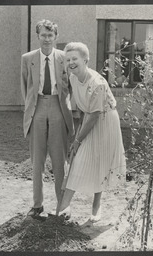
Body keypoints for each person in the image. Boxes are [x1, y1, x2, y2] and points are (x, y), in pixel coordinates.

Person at [58, 42, 126, 222]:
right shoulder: (73, 78)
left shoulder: (97, 83)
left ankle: (97, 206)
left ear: (85, 60)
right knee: (78, 160)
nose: (71, 62)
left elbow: (95, 114)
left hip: (105, 120)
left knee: (100, 161)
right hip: (90, 118)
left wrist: (78, 140)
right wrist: (78, 133)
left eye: (75, 59)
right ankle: (62, 210)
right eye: (68, 59)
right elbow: (82, 110)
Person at [21, 19, 74, 217]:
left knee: (59, 159)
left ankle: (62, 206)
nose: (46, 39)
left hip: (58, 107)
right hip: (37, 107)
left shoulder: (64, 58)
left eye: (50, 35)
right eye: (43, 35)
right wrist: (32, 107)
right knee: (37, 159)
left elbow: (70, 86)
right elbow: (25, 87)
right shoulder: (28, 58)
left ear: (55, 37)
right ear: (38, 36)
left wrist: (69, 109)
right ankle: (37, 205)